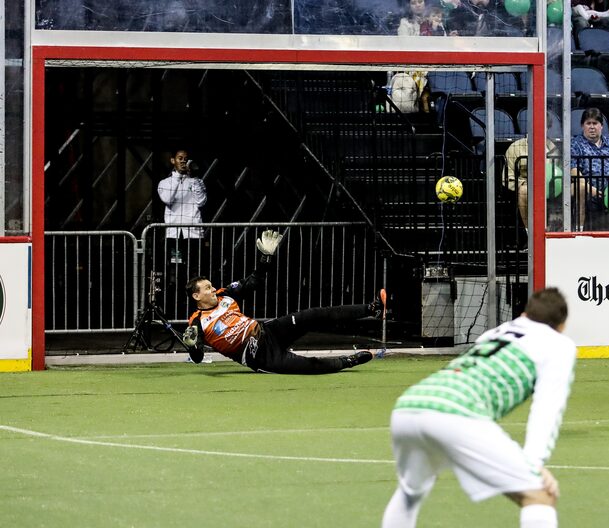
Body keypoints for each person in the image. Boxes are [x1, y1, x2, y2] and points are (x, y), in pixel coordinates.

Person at [382, 287, 577, 528]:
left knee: (410, 494)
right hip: (455, 412)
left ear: (525, 314)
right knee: (539, 494)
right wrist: (535, 464)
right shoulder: (559, 345)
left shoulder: (497, 332)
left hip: (410, 405)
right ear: (561, 326)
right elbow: (547, 408)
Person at [182, 229, 385, 374]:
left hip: (268, 331)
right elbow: (198, 358)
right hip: (258, 356)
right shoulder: (197, 323)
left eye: (211, 285)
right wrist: (191, 346)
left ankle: (372, 308)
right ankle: (347, 361)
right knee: (310, 366)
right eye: (207, 288)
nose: (213, 289)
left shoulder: (227, 294)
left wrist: (265, 258)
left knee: (315, 315)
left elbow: (254, 281)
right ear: (196, 296)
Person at [570, 108, 609, 228]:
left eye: (595, 123)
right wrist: (590, 189)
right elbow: (573, 170)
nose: (592, 127)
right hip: (590, 193)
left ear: (601, 126)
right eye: (588, 123)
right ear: (583, 126)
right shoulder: (575, 145)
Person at [157, 149, 207, 264]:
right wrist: (178, 176)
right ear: (173, 160)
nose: (183, 162)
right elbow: (167, 199)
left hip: (194, 233)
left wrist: (194, 178)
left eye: (186, 159)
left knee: (195, 267)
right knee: (175, 268)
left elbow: (201, 202)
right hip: (174, 233)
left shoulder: (197, 181)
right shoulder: (165, 183)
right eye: (180, 158)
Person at [504, 136, 558, 229]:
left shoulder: (554, 148)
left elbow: (559, 172)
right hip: (526, 185)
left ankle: (552, 229)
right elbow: (509, 176)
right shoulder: (515, 147)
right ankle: (529, 231)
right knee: (524, 191)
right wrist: (522, 184)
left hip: (550, 185)